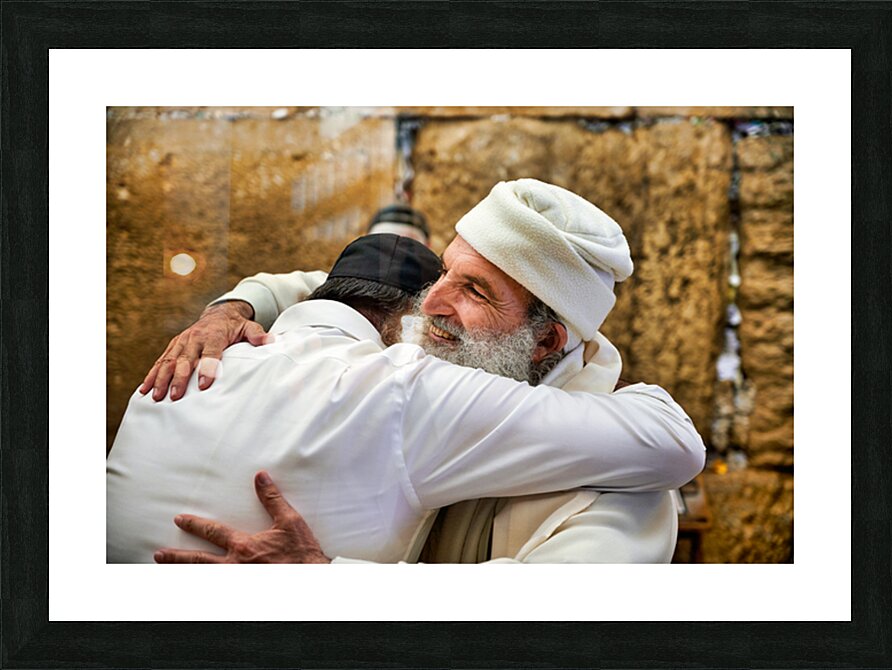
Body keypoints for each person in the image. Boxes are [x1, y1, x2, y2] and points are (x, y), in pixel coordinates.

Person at [139, 179, 705, 564]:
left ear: (545, 342)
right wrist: (230, 310)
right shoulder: (459, 349)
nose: (429, 302)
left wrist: (326, 583)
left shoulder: (621, 481)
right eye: (443, 271)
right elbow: (342, 288)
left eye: (474, 290)